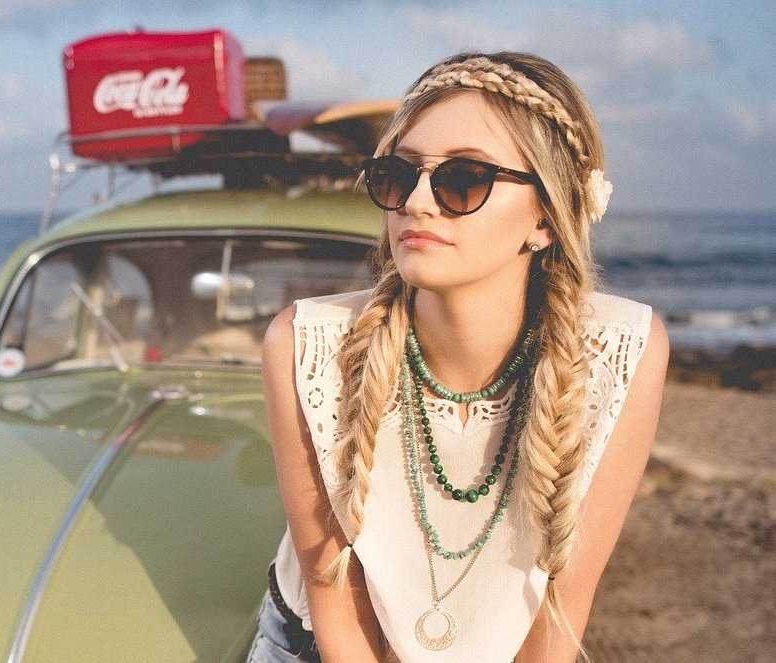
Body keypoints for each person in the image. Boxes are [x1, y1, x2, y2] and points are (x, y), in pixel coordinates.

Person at [250, 51, 669, 662]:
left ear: (545, 220)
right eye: (400, 173)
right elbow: (333, 592)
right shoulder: (306, 345)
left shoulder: (623, 351)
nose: (417, 201)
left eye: (463, 179)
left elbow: (563, 604)